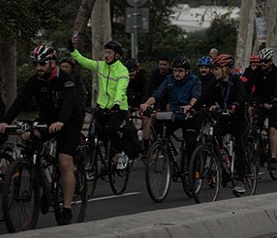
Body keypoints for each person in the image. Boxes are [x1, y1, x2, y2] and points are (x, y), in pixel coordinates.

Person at [0, 45, 83, 225]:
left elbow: (68, 103)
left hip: (69, 121)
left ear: (52, 62)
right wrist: (5, 121)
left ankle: (66, 207)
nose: (39, 68)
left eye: (42, 64)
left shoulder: (66, 79)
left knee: (65, 161)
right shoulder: (36, 80)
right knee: (28, 138)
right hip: (47, 119)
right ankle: (43, 182)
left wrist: (61, 122)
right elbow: (21, 101)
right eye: (36, 64)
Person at [190, 54, 248, 194]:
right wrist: (193, 109)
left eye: (217, 69)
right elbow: (204, 97)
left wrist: (234, 106)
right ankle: (225, 168)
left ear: (227, 69)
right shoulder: (215, 83)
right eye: (213, 69)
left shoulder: (236, 80)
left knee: (240, 144)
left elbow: (241, 97)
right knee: (214, 135)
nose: (214, 71)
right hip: (224, 118)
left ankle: (240, 179)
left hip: (239, 119)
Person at [70, 38, 133, 170]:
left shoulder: (122, 71)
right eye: (105, 52)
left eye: (109, 53)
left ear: (117, 55)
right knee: (94, 133)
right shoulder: (101, 65)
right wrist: (72, 50)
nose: (106, 55)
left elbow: (121, 89)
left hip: (119, 107)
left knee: (111, 129)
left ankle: (122, 153)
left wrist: (116, 104)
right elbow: (84, 61)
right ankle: (97, 159)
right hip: (103, 106)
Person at [139, 56, 201, 166]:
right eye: (175, 71)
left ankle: (193, 170)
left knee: (190, 143)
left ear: (187, 72)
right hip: (175, 114)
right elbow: (157, 95)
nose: (177, 74)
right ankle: (168, 151)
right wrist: (146, 104)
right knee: (159, 128)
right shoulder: (169, 80)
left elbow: (195, 96)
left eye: (180, 71)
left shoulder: (194, 80)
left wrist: (190, 106)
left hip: (189, 115)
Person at [246, 48, 277, 171]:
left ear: (271, 61)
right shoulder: (256, 72)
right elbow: (248, 87)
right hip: (260, 102)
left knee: (272, 129)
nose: (263, 64)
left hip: (274, 104)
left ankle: (273, 157)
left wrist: (272, 101)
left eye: (266, 61)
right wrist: (248, 101)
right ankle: (257, 151)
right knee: (255, 127)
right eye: (261, 61)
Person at [125, 58, 151, 153]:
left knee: (145, 119)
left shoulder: (144, 76)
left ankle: (146, 147)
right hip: (135, 98)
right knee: (126, 114)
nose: (130, 75)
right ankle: (133, 135)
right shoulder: (126, 77)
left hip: (147, 98)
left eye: (132, 72)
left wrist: (143, 105)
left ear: (137, 69)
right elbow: (125, 91)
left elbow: (146, 91)